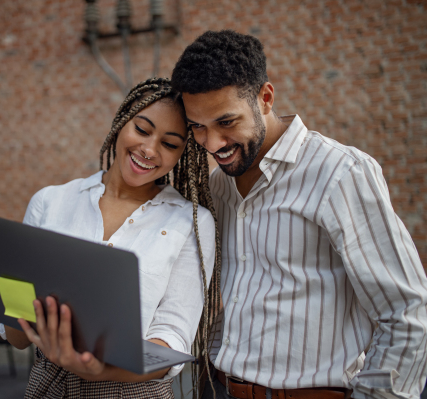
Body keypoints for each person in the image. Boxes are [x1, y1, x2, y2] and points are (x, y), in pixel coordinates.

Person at [170, 29, 427, 399]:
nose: (212, 144)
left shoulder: (340, 173)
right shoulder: (218, 187)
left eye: (226, 122)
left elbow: (406, 312)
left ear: (265, 99)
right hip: (218, 388)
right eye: (198, 127)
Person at [0, 78, 222, 399]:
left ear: (182, 154)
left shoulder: (191, 223)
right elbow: (17, 336)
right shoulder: (50, 202)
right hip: (48, 383)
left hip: (133, 390)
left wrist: (100, 370)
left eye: (170, 144)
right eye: (142, 130)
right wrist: (22, 305)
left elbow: (171, 336)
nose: (149, 149)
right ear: (121, 123)